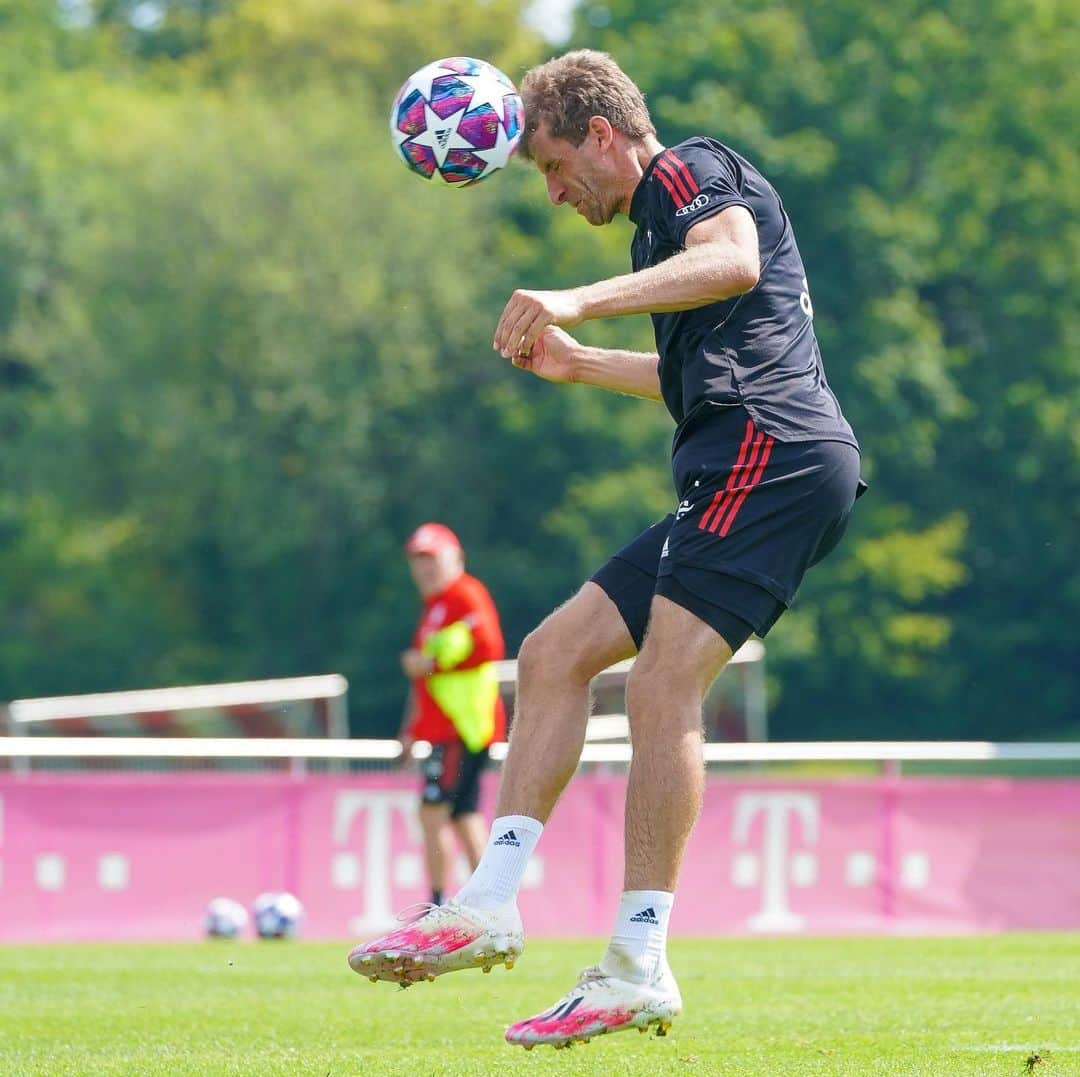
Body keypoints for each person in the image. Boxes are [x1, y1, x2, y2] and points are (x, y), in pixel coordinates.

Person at [350, 50, 865, 1050]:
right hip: (745, 458)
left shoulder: (688, 172)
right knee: (553, 654)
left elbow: (736, 261)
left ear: (599, 133)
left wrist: (576, 300)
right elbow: (693, 381)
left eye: (550, 167)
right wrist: (583, 365)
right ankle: (489, 901)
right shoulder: (654, 234)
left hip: (774, 455)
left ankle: (637, 963)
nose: (551, 193)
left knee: (661, 684)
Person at [394, 522, 507, 908]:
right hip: (450, 727)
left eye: (432, 558)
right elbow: (424, 682)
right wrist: (410, 730)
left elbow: (488, 645)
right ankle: (491, 905)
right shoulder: (434, 608)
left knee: (433, 813)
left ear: (455, 558)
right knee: (463, 814)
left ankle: (439, 906)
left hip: (463, 727)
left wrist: (430, 659)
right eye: (417, 560)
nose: (424, 568)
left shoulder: (465, 595)